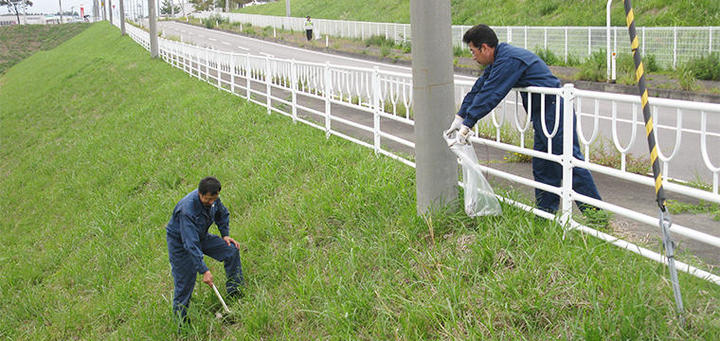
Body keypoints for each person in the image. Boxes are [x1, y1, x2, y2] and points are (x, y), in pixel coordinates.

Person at [446, 24, 602, 214]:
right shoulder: (499, 60)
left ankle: (597, 218)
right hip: (543, 113)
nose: (473, 56)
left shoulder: (508, 60)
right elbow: (480, 87)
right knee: (544, 166)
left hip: (555, 110)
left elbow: (492, 93)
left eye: (473, 51)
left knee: (570, 164)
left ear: (485, 48)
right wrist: (460, 117)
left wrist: (468, 124)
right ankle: (546, 216)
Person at [166, 176, 244, 325]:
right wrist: (204, 270)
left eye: (214, 199)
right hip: (181, 245)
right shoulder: (187, 211)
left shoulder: (213, 199)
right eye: (208, 199)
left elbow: (222, 214)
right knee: (185, 283)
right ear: (200, 194)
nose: (211, 202)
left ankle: (235, 292)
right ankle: (182, 325)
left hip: (201, 236)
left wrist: (225, 235)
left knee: (231, 250)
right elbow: (190, 244)